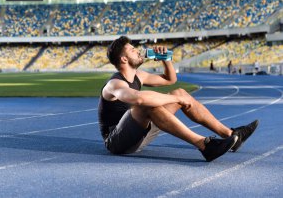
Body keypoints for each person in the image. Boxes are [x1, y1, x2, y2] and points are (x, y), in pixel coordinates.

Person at [98, 36, 259, 162]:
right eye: (132, 50)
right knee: (146, 104)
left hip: (140, 135)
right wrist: (176, 102)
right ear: (124, 59)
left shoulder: (138, 76)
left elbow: (170, 79)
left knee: (180, 92)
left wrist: (166, 61)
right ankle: (204, 145)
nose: (138, 51)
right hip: (117, 142)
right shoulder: (114, 84)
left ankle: (231, 134)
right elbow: (139, 99)